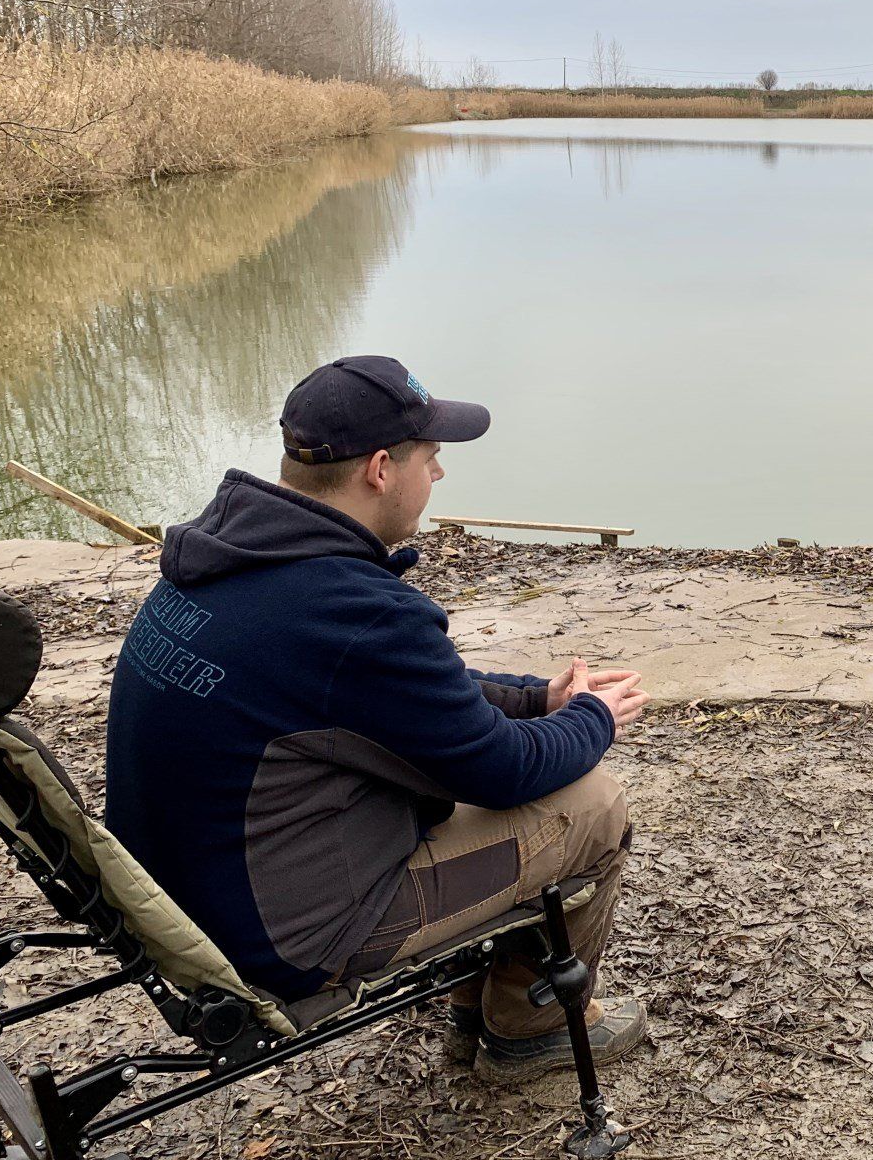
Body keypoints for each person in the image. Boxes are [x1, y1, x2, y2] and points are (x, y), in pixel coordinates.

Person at [104, 355, 649, 1083]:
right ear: (383, 469)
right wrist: (592, 717)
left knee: (439, 773)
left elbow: (393, 694)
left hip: (186, 898)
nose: (441, 476)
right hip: (287, 940)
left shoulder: (229, 557)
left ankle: (472, 1002)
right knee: (591, 804)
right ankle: (531, 1030)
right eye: (433, 458)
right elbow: (503, 771)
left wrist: (534, 699)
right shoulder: (352, 611)